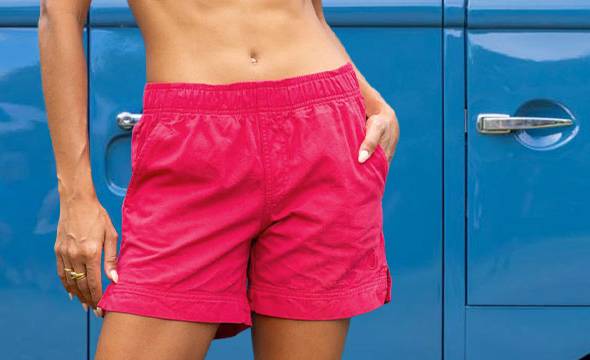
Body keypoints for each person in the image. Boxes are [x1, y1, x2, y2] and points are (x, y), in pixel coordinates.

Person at [39, 0, 400, 359]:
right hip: (192, 142)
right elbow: (59, 15)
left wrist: (373, 102)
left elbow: (311, 12)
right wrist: (76, 199)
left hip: (320, 132)